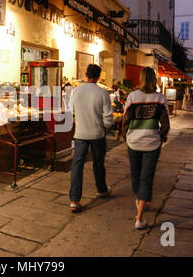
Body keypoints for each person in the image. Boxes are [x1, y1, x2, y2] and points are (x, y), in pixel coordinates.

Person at [122, 67, 170, 230]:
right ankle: (140, 217)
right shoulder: (160, 98)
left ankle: (140, 203)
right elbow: (165, 123)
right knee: (146, 177)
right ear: (154, 79)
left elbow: (125, 120)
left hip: (134, 142)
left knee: (135, 174)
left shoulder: (133, 96)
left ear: (142, 79)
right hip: (152, 144)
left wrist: (125, 136)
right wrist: (161, 137)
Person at [69, 64, 113, 212]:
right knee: (98, 163)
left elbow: (72, 111)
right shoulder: (102, 93)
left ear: (86, 74)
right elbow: (108, 117)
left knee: (77, 166)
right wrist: (106, 126)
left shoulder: (76, 91)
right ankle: (101, 190)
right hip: (97, 134)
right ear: (98, 76)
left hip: (80, 134)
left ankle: (74, 200)